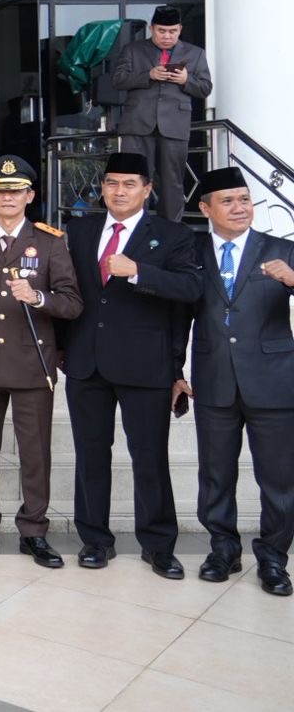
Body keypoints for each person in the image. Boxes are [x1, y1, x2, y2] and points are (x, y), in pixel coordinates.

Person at [61, 152, 203, 577]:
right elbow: (68, 290)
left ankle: (158, 545)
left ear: (147, 189)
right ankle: (94, 540)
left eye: (129, 184)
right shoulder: (79, 230)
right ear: (102, 188)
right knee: (90, 454)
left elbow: (191, 288)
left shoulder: (173, 234)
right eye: (111, 183)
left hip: (146, 364)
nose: (119, 191)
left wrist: (139, 270)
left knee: (149, 457)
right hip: (86, 363)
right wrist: (62, 350)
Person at [0, 156, 83, 569]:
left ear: (30, 195)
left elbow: (73, 303)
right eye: (0, 191)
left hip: (32, 363)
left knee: (35, 453)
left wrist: (38, 297)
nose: (8, 197)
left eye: (16, 190)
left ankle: (34, 530)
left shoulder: (50, 241)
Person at [187, 167, 294, 596]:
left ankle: (274, 559)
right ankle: (223, 550)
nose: (239, 208)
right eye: (228, 201)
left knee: (279, 479)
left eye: (245, 199)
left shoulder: (282, 249)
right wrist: (175, 371)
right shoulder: (192, 252)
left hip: (273, 381)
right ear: (205, 208)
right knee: (215, 474)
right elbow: (175, 316)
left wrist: (292, 279)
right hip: (214, 379)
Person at [112, 4, 213, 221]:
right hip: (137, 124)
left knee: (172, 182)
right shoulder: (133, 49)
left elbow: (205, 88)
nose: (167, 36)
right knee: (133, 179)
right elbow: (118, 80)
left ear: (180, 29)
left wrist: (186, 80)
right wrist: (148, 74)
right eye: (162, 31)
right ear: (152, 29)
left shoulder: (195, 53)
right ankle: (133, 227)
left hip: (174, 125)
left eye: (172, 31)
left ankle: (170, 230)